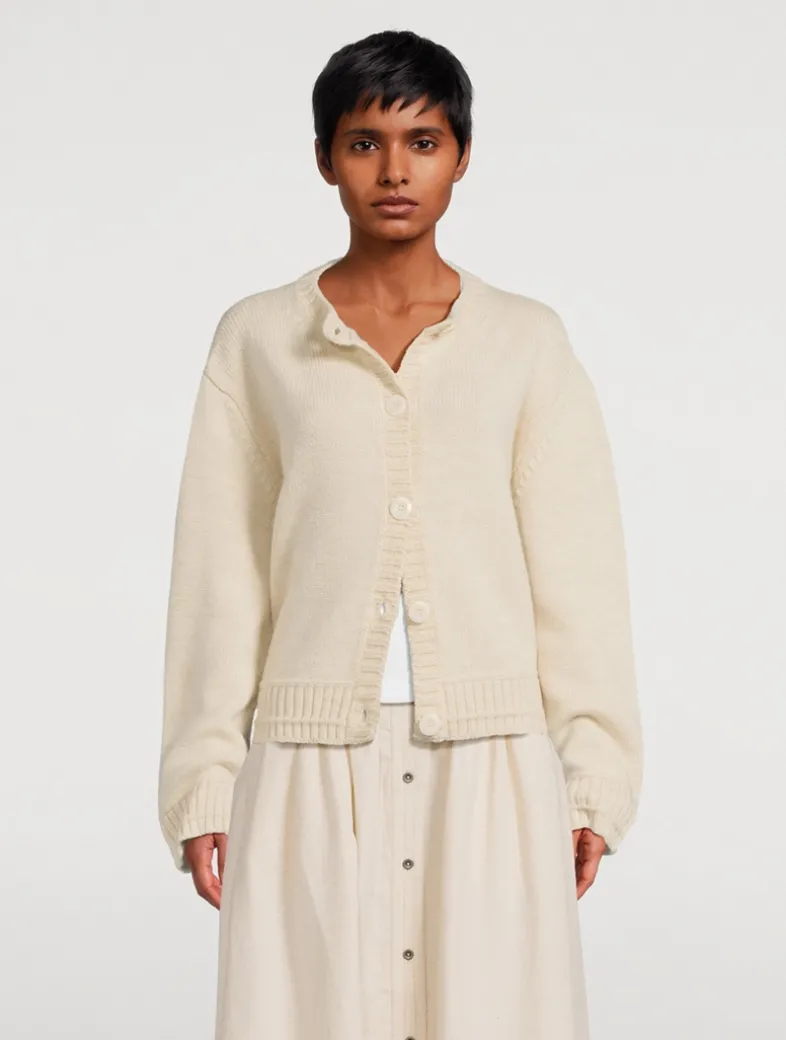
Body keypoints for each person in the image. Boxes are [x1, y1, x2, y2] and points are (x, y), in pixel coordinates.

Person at [157, 27, 643, 1040]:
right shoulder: (257, 340)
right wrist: (203, 780)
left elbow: (579, 573)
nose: (393, 171)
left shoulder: (525, 341)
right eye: (364, 142)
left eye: (422, 142)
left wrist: (593, 772)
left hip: (493, 756)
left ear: (461, 157)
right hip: (306, 755)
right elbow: (220, 572)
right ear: (324, 158)